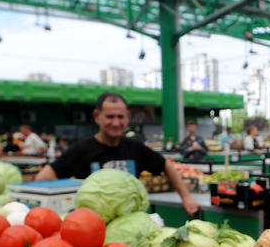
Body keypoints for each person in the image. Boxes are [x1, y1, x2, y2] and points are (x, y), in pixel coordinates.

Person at [35, 92, 200, 217]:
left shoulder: (135, 147)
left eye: (120, 117)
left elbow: (167, 165)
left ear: (128, 117)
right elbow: (43, 179)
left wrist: (186, 197)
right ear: (96, 116)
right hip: (94, 231)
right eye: (110, 117)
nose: (116, 123)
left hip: (131, 224)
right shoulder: (81, 150)